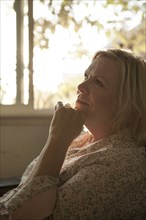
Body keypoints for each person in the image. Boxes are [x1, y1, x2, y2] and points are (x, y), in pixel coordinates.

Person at [0, 48, 146, 220]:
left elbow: (23, 216)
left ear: (128, 104)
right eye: (86, 77)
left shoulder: (122, 165)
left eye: (98, 82)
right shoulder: (83, 141)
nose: (80, 87)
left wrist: (57, 139)